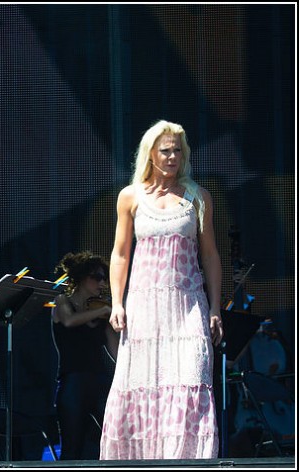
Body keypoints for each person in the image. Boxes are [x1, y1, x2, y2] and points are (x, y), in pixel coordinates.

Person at [100, 120, 224, 460]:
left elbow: (210, 254)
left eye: (177, 151)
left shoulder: (198, 197)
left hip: (187, 306)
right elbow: (120, 253)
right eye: (165, 150)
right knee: (143, 384)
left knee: (191, 379)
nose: (172, 157)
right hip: (144, 307)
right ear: (151, 154)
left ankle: (187, 463)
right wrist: (116, 302)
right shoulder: (131, 197)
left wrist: (214, 307)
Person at [51, 251, 117, 460]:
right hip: (73, 383)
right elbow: (70, 321)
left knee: (114, 437)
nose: (102, 284)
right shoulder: (62, 301)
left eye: (104, 278)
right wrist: (104, 310)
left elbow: (116, 353)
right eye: (96, 277)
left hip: (100, 382)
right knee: (72, 447)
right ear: (80, 278)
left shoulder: (101, 312)